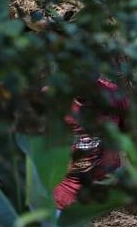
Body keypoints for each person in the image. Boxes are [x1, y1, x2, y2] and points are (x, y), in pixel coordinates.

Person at [53, 77, 128, 210]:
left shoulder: (114, 96)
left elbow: (129, 138)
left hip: (107, 197)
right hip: (64, 199)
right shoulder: (51, 99)